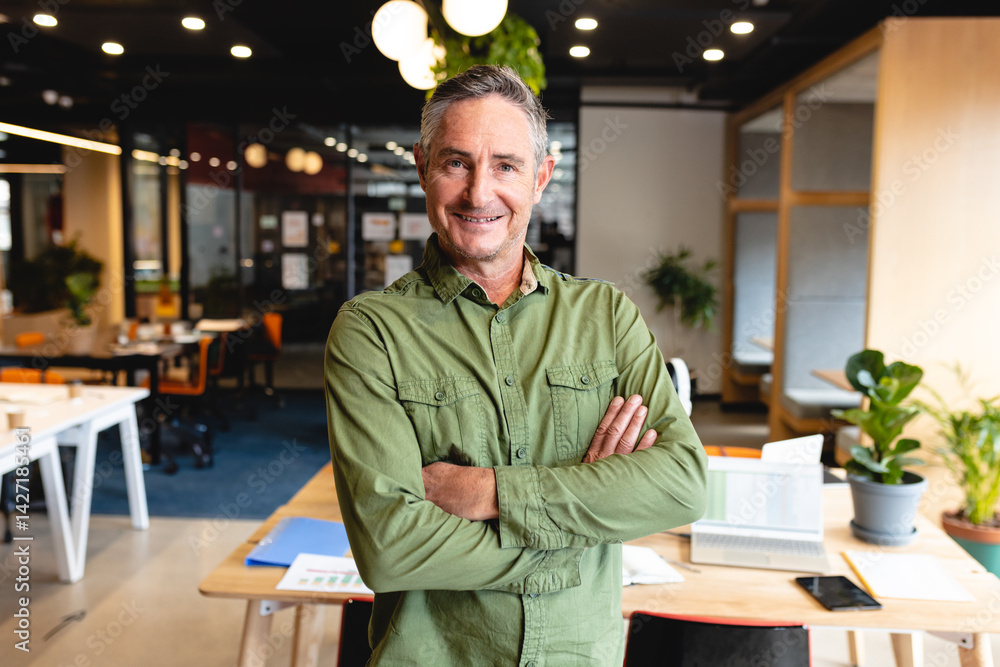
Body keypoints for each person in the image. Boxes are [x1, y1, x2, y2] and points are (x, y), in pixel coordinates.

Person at [325, 65, 707, 665]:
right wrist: (577, 529)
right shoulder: (371, 330)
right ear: (423, 166)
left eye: (506, 165)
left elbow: (680, 484)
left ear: (541, 177)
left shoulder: (606, 316)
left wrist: (490, 491)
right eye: (456, 163)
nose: (480, 193)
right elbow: (390, 547)